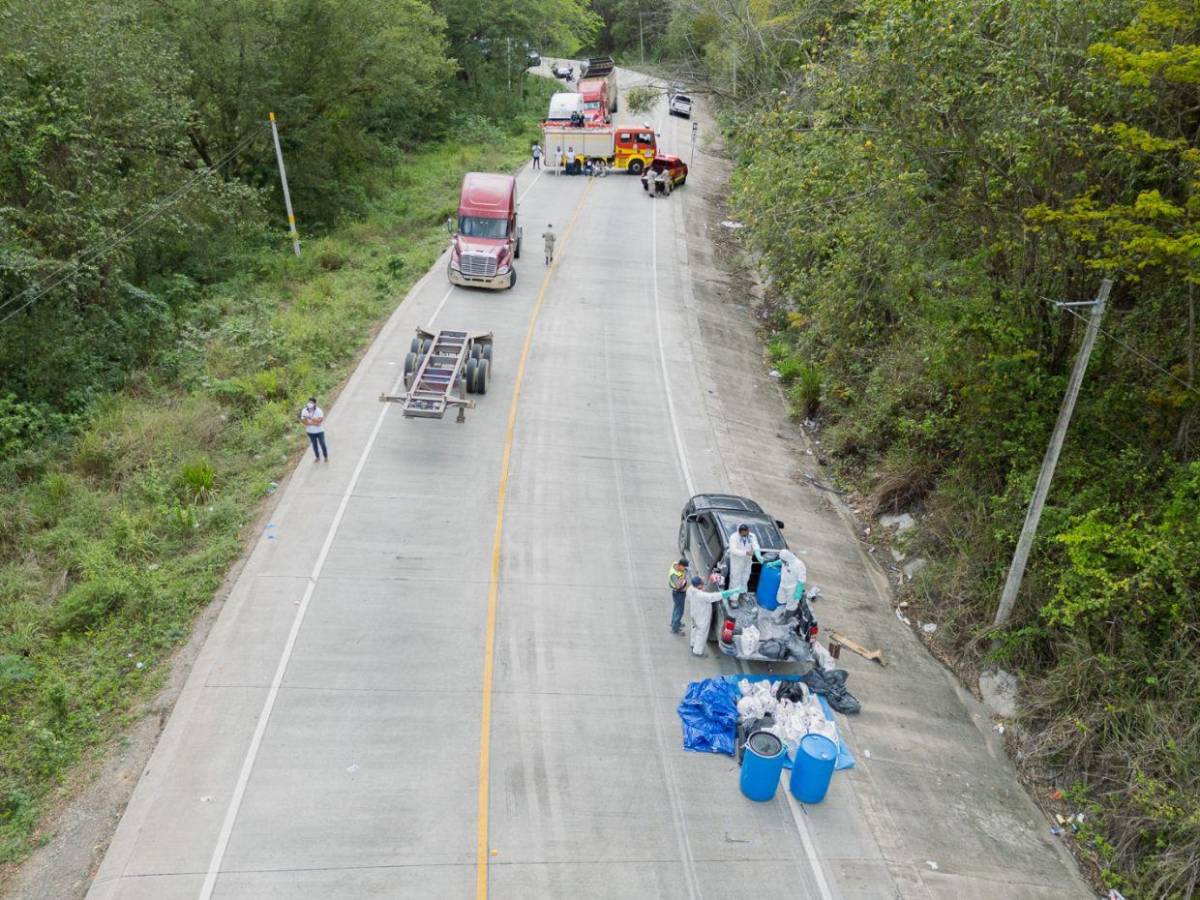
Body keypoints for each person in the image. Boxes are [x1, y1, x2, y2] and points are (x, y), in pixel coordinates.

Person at [687, 575, 739, 657]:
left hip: (694, 614)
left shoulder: (690, 589)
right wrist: (733, 591)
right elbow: (715, 596)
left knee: (694, 629)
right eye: (702, 583)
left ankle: (693, 643)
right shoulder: (701, 596)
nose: (703, 584)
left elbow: (703, 591)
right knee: (701, 634)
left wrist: (711, 582)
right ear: (699, 586)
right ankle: (697, 652)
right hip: (702, 618)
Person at [727, 524, 762, 594]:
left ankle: (743, 593)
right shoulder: (733, 537)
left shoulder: (751, 536)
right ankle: (733, 597)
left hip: (747, 561)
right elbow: (733, 550)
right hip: (737, 562)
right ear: (740, 532)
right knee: (735, 579)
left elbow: (755, 544)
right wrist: (745, 552)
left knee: (745, 577)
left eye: (747, 532)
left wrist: (758, 553)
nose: (747, 534)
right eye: (745, 533)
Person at [299, 397, 328, 462]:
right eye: (309, 402)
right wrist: (314, 423)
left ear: (315, 403)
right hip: (310, 432)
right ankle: (317, 457)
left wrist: (309, 418)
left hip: (320, 431)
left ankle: (325, 457)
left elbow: (320, 420)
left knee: (322, 443)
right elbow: (304, 421)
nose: (310, 404)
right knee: (314, 445)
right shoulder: (304, 410)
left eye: (311, 403)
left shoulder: (319, 410)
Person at [668, 559, 688, 634]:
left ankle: (674, 622)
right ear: (680, 565)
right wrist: (683, 576)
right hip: (678, 593)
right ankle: (675, 628)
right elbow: (678, 585)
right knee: (679, 611)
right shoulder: (674, 575)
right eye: (684, 567)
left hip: (679, 593)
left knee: (676, 608)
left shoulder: (676, 564)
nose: (685, 569)